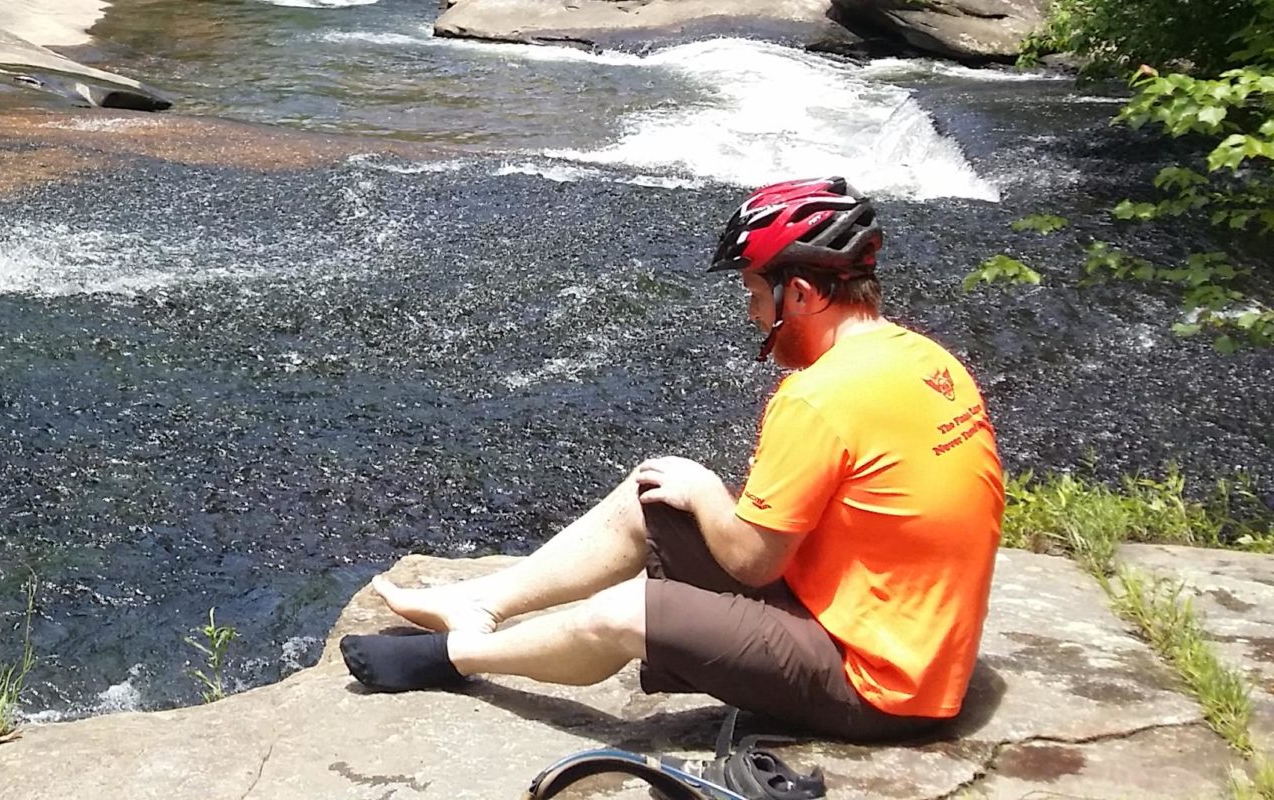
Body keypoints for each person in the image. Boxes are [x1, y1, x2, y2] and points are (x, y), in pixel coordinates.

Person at [343, 179, 1004, 742]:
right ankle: (483, 603)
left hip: (880, 686)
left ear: (799, 294)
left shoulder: (820, 395)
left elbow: (754, 560)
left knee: (629, 610)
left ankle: (455, 656)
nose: (751, 313)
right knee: (656, 486)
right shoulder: (923, 358)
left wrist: (710, 493)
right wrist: (690, 490)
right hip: (890, 630)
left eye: (754, 294)